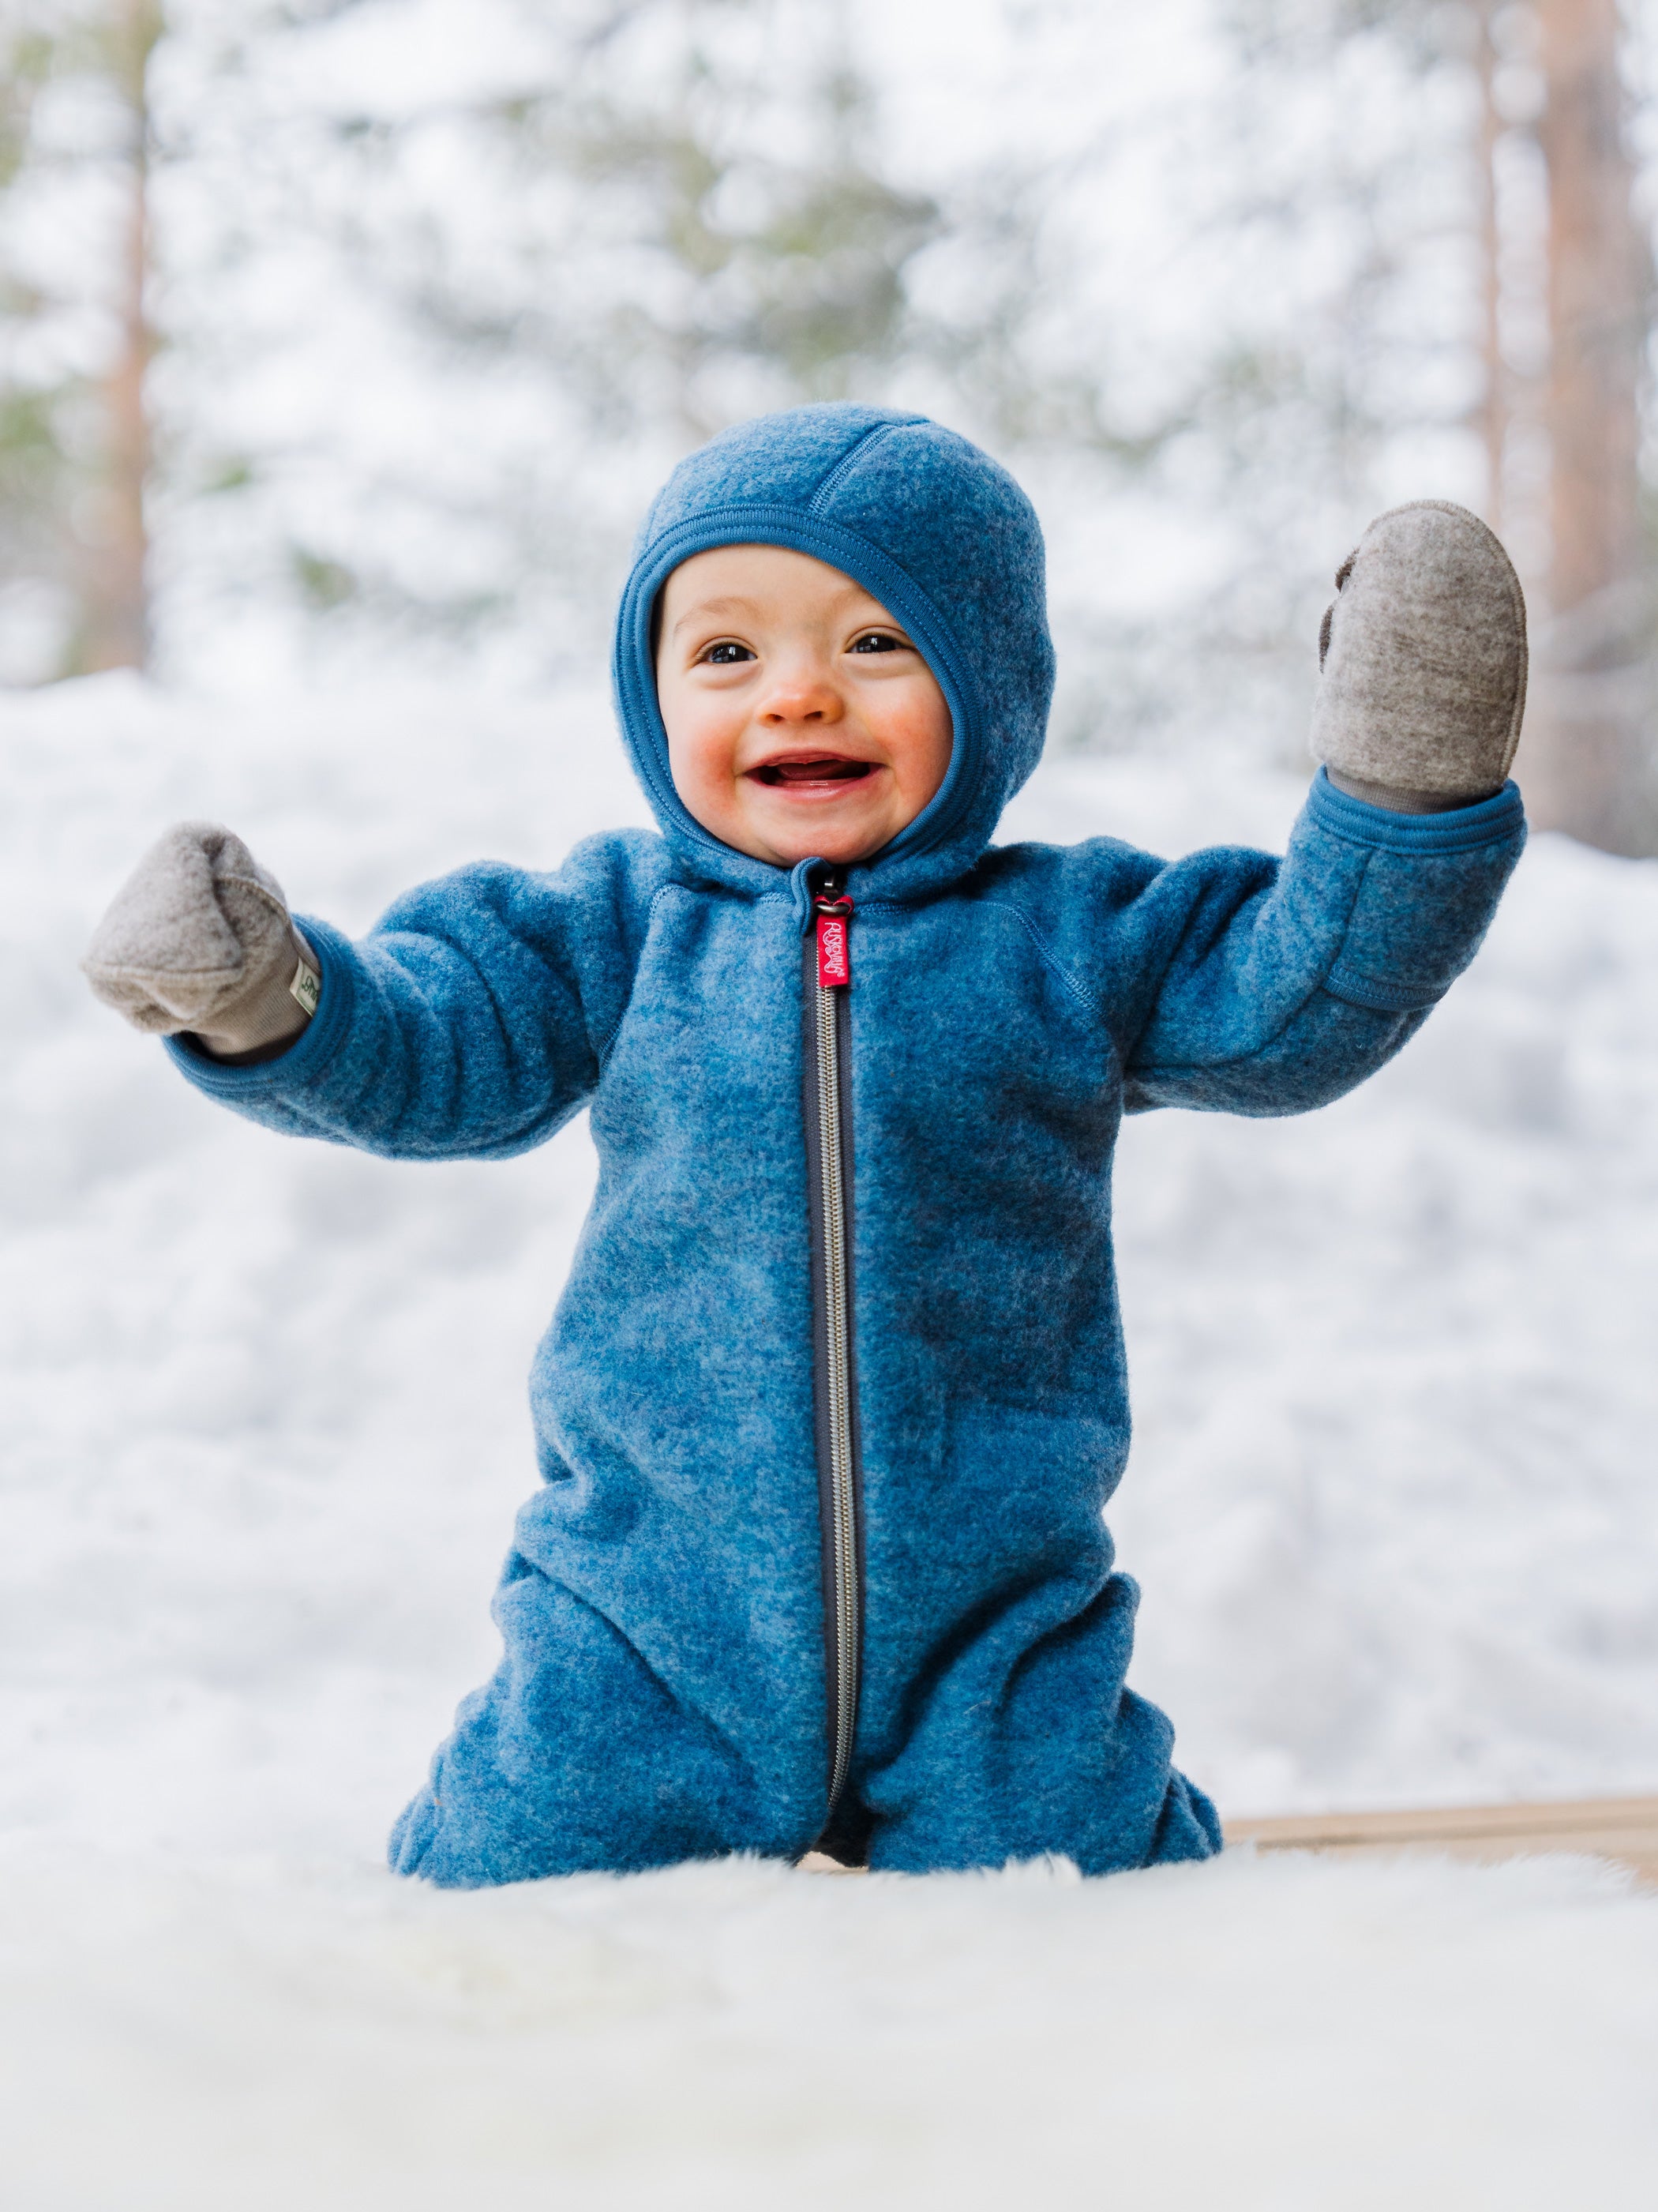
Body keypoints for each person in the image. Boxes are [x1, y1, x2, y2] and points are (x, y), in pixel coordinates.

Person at [81, 404, 1529, 1884]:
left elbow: (1295, 1001)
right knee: (498, 1901)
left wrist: (1401, 798)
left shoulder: (1072, 936)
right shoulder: (618, 927)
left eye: (876, 644)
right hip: (646, 1626)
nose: (798, 696)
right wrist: (276, 998)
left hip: (996, 1640)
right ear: (651, 700)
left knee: (1112, 1926)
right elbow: (432, 1044)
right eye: (726, 653)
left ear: (993, 684)